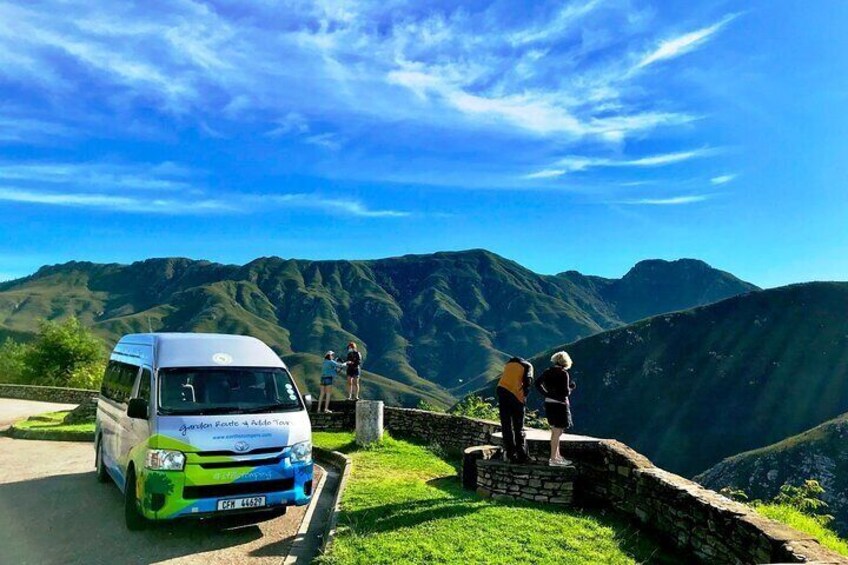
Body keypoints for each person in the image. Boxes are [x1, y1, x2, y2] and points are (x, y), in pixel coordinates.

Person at [535, 351, 576, 467]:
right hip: (560, 404)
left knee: (555, 431)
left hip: (549, 403)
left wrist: (546, 394)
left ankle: (557, 456)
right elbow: (565, 392)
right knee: (558, 432)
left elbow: (537, 383)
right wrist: (571, 387)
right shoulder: (563, 374)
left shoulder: (547, 372)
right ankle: (553, 458)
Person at [496, 356, 534, 463]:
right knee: (518, 427)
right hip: (515, 394)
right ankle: (522, 455)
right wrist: (523, 398)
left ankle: (510, 454)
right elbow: (528, 383)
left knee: (506, 425)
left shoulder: (509, 364)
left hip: (501, 390)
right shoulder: (528, 366)